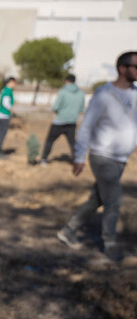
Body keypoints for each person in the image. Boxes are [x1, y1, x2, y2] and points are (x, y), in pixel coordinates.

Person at [56, 51, 137, 264]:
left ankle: (68, 230)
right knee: (114, 200)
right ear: (122, 69)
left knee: (99, 198)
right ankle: (110, 246)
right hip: (102, 156)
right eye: (136, 66)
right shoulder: (104, 95)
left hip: (121, 158)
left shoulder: (135, 94)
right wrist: (79, 156)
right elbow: (86, 126)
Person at [39, 74, 86, 166]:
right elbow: (81, 109)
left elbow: (55, 107)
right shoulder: (81, 93)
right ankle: (77, 161)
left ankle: (44, 159)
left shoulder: (63, 92)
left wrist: (61, 112)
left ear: (66, 81)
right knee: (72, 143)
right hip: (72, 122)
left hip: (59, 121)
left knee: (50, 140)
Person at [0, 76, 17, 158]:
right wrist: (12, 110)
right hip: (4, 115)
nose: (15, 84)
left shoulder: (4, 90)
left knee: (0, 132)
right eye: (14, 82)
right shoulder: (8, 91)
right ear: (9, 83)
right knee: (2, 132)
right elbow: (5, 103)